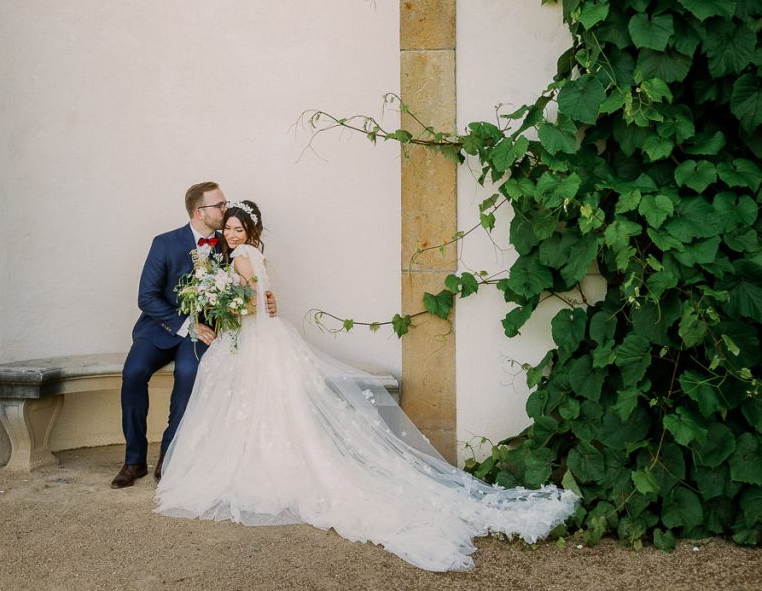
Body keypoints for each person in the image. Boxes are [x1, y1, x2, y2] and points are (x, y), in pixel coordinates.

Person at [155, 200, 578, 571]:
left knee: (255, 404)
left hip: (250, 339)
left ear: (250, 232)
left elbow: (250, 303)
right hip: (260, 339)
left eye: (237, 228)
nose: (230, 233)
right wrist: (236, 299)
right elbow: (266, 299)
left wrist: (221, 303)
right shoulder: (252, 254)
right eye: (227, 227)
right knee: (266, 407)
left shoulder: (243, 256)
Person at [111, 182, 276, 489]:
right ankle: (133, 460)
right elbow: (146, 298)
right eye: (220, 205)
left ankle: (170, 455)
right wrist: (185, 324)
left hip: (205, 332)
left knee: (189, 374)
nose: (225, 210)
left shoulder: (228, 244)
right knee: (133, 373)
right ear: (201, 212)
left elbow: (248, 284)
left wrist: (264, 301)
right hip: (159, 329)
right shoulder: (164, 243)